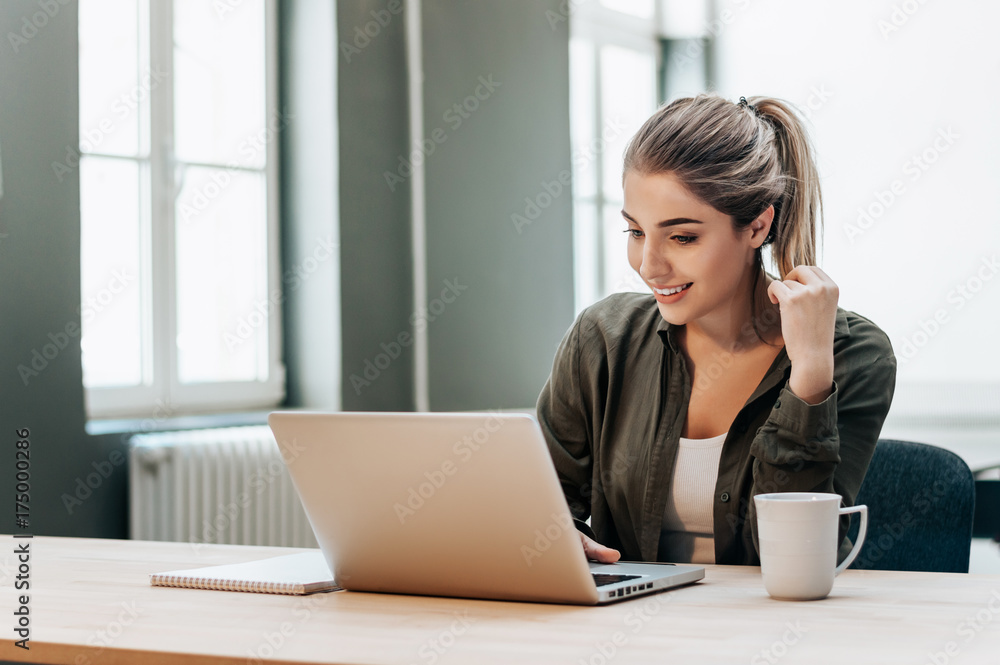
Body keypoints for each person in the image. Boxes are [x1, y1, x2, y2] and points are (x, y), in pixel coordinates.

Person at [536, 93, 897, 566]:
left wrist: (809, 373)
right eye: (636, 232)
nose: (649, 266)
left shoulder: (852, 353)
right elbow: (542, 499)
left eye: (682, 237)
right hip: (626, 628)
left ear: (756, 226)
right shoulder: (603, 339)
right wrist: (556, 531)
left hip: (781, 633)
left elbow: (796, 556)